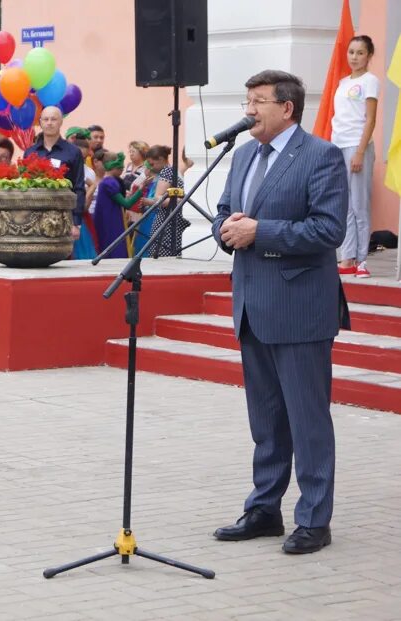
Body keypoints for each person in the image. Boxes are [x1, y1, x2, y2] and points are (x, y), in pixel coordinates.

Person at [211, 70, 348, 555]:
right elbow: (227, 211)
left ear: (286, 108)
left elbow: (329, 231)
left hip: (300, 309)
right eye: (248, 99)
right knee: (265, 419)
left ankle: (314, 519)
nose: (249, 109)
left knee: (307, 419)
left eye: (258, 101)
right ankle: (264, 509)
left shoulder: (321, 156)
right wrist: (225, 229)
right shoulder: (244, 153)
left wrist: (259, 232)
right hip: (251, 304)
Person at [332, 35, 379, 279]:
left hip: (357, 146)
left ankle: (362, 259)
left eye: (360, 53)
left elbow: (370, 119)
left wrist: (360, 151)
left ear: (369, 55)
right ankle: (347, 256)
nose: (354, 57)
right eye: (351, 52)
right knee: (346, 205)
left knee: (360, 204)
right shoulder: (342, 82)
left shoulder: (370, 81)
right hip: (338, 144)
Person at [25, 106, 85, 245]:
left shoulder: (73, 152)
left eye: (54, 119)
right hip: (34, 216)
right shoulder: (30, 153)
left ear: (61, 122)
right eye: (46, 119)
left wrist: (76, 222)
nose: (49, 123)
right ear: (40, 122)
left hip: (62, 216)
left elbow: (79, 187)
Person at [93, 152, 145, 259]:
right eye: (120, 168)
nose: (122, 170)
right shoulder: (110, 183)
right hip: (111, 221)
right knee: (114, 246)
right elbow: (127, 204)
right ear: (114, 167)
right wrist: (140, 191)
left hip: (108, 218)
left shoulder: (108, 182)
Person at [139, 144, 188, 258]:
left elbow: (159, 198)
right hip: (170, 218)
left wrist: (180, 200)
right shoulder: (172, 171)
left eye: (152, 164)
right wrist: (181, 200)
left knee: (162, 254)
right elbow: (161, 198)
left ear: (161, 159)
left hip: (166, 219)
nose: (151, 167)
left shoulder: (166, 172)